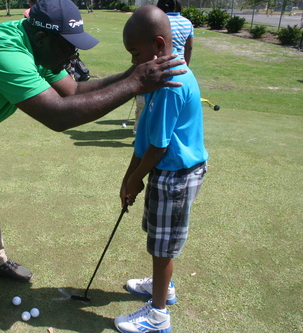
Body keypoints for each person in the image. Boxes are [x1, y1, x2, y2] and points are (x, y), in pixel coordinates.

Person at [0, 0, 186, 325]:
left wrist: (130, 74)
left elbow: (73, 91)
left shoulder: (39, 47)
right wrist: (135, 84)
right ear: (43, 39)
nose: (72, 56)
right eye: (68, 48)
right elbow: (57, 115)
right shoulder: (5, 54)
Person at [114, 5, 208, 333]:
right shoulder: (158, 77)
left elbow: (159, 147)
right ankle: (162, 286)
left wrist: (136, 179)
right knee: (157, 236)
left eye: (135, 53)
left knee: (162, 246)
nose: (132, 61)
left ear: (158, 45)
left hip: (177, 174)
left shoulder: (172, 84)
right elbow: (144, 139)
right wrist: (129, 178)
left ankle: (158, 316)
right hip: (164, 171)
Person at [132, 0, 194, 136]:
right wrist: (185, 65)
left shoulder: (160, 21)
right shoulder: (187, 22)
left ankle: (141, 132)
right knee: (171, 111)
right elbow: (188, 47)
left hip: (157, 68)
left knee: (149, 105)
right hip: (180, 67)